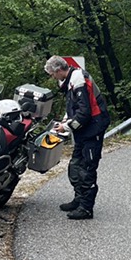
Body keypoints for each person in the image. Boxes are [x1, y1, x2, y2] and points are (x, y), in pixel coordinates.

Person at [44, 55, 110, 220]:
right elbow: (73, 109)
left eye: (53, 74)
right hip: (84, 130)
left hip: (93, 128)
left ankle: (86, 209)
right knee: (75, 166)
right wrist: (65, 122)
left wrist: (65, 127)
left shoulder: (78, 80)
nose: (53, 78)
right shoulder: (70, 80)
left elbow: (84, 112)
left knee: (87, 169)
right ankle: (79, 199)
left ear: (59, 70)